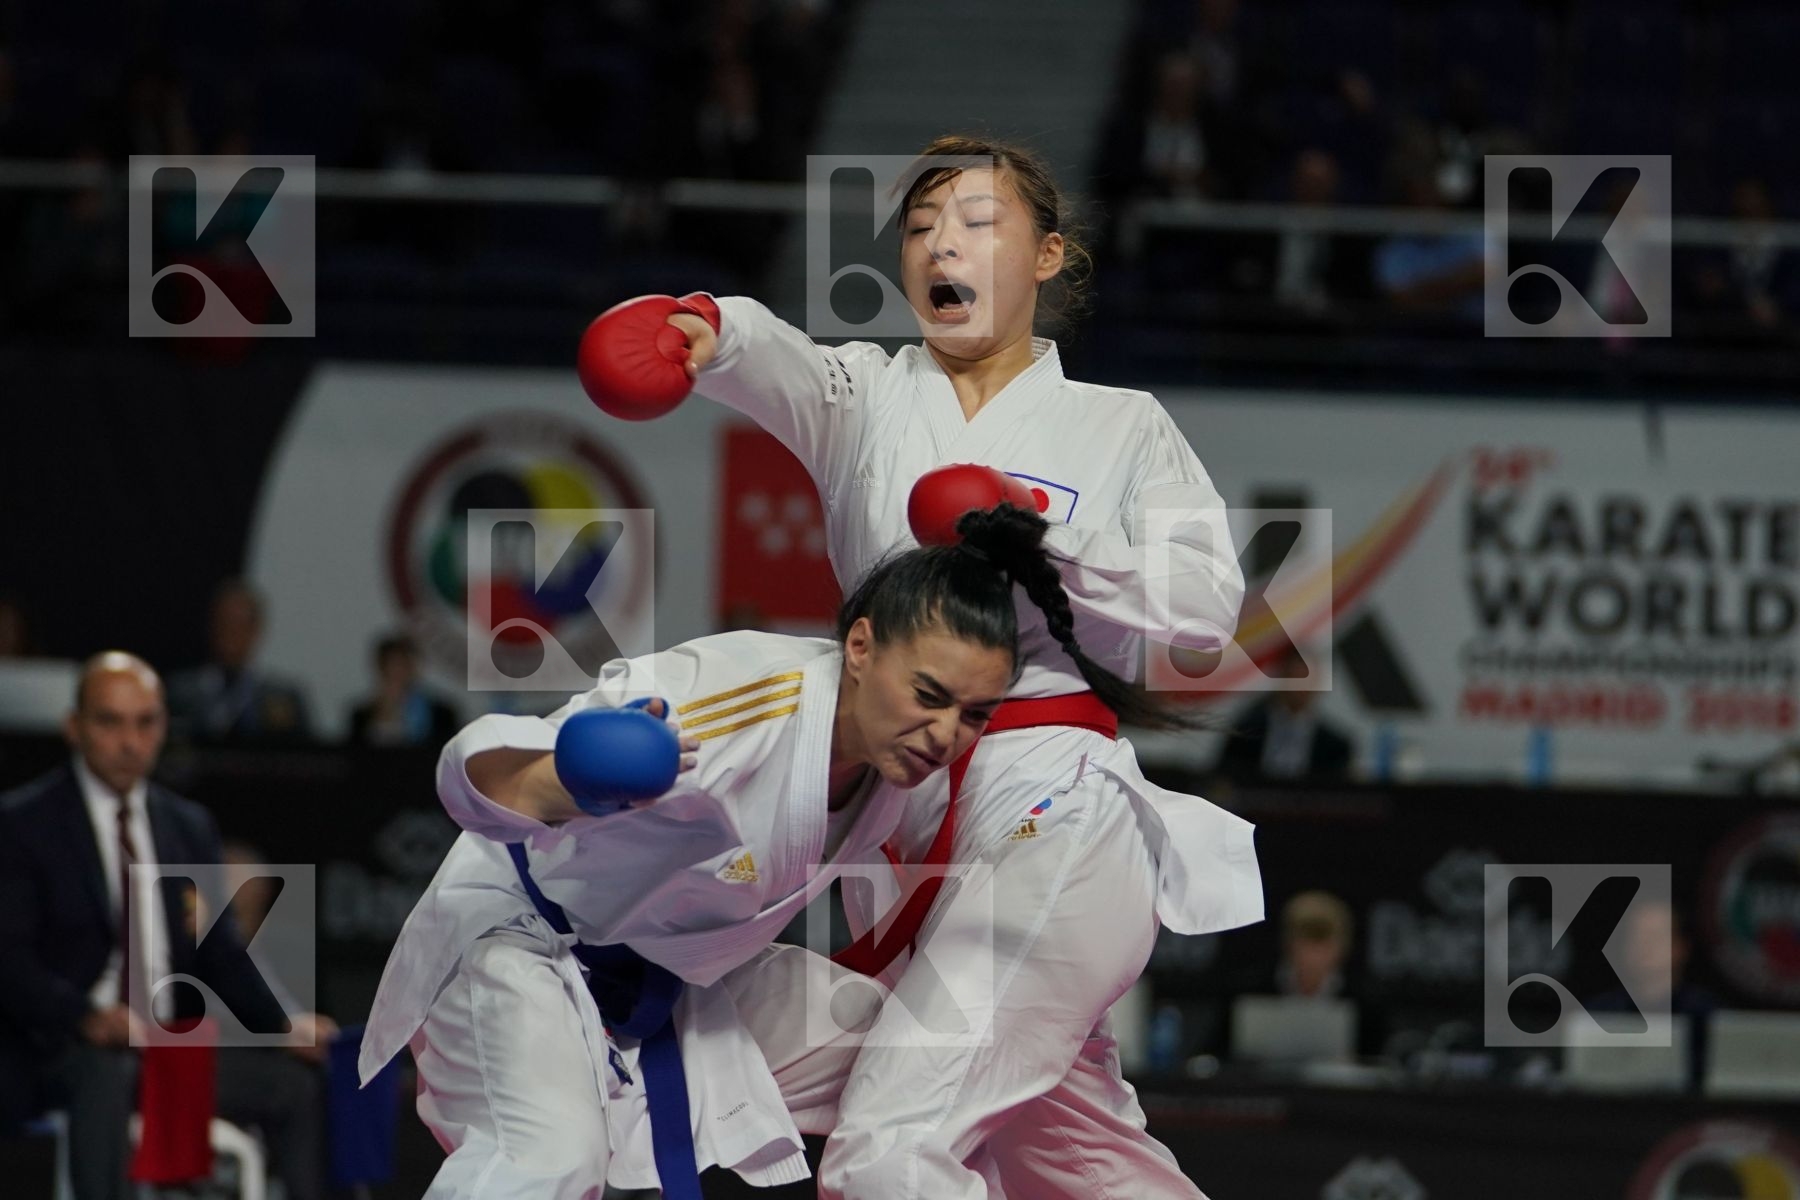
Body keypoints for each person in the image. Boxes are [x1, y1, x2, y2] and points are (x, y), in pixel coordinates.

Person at [658, 134, 1263, 1199]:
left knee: (894, 1136)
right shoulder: (865, 398)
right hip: (903, 818)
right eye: (924, 227)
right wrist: (706, 331)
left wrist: (1032, 536)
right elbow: (769, 356)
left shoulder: (1120, 425)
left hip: (1057, 802)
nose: (944, 243)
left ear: (1046, 258)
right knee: (1070, 1156)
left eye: (979, 223)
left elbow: (1204, 605)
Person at [358, 509, 1143, 1198]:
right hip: (521, 945)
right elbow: (477, 767)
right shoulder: (737, 696)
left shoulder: (895, 766)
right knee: (550, 1158)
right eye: (930, 696)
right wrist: (572, 778)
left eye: (974, 714)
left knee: (931, 1061)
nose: (945, 734)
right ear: (861, 646)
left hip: (675, 975)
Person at [0, 652, 333, 1200]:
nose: (130, 741)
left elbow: (219, 949)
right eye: (110, 721)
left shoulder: (186, 826)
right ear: (74, 727)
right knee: (105, 1074)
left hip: (165, 1052)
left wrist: (282, 1023)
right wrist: (86, 1018)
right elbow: (10, 962)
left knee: (296, 1087)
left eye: (145, 722)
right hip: (61, 1050)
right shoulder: (24, 824)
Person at [167, 579, 314, 742]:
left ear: (256, 630)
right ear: (212, 625)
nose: (231, 634)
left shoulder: (283, 698)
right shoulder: (181, 692)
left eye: (241, 624)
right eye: (224, 622)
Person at [1216, 648, 1355, 783]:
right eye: (1296, 679)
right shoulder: (1245, 733)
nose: (1301, 688)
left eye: (1307, 680)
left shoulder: (1335, 748)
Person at [346, 632, 461, 749]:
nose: (398, 673)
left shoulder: (441, 715)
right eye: (391, 666)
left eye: (404, 664)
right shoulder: (361, 717)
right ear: (380, 670)